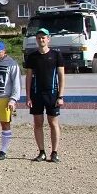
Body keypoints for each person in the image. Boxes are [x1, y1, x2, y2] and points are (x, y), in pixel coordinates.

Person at [24, 28, 65, 163]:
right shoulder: (32, 56)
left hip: (52, 94)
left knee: (53, 123)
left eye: (43, 37)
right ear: (36, 40)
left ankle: (54, 152)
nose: (41, 40)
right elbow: (28, 77)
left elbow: (61, 76)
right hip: (36, 94)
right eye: (39, 38)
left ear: (48, 39)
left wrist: (60, 96)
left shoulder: (56, 55)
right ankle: (41, 152)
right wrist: (28, 96)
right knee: (38, 123)